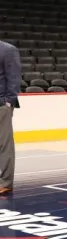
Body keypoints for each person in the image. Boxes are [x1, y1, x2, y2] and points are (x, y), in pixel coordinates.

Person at [0, 40, 20, 197]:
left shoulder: (8, 50)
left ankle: (5, 184)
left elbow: (14, 78)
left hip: (2, 105)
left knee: (4, 145)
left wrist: (8, 102)